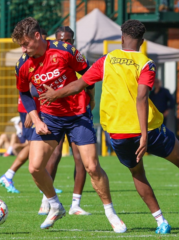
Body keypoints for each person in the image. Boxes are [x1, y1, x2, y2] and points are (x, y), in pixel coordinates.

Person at [39, 19, 179, 234]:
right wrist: (143, 135)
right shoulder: (145, 63)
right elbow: (142, 97)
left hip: (118, 131)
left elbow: (79, 84)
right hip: (149, 129)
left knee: (138, 173)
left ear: (122, 37)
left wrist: (53, 94)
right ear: (142, 41)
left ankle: (161, 222)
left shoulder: (107, 60)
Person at [12, 17, 126, 232]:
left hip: (77, 114)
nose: (23, 49)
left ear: (38, 36)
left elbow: (88, 74)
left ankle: (111, 213)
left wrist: (90, 100)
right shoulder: (23, 64)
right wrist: (36, 119)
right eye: (20, 45)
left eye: (26, 43)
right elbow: (25, 93)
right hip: (49, 117)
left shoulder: (65, 50)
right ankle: (55, 205)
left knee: (92, 166)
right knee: (35, 167)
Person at [39, 26, 95, 216]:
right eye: (61, 39)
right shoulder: (48, 57)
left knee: (80, 158)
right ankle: (46, 200)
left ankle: (75, 204)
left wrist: (92, 99)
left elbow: (89, 79)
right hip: (55, 113)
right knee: (53, 155)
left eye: (68, 40)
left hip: (77, 112)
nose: (65, 43)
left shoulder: (77, 57)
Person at [0, 93, 62, 194]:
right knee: (33, 144)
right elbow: (31, 86)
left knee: (33, 144)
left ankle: (10, 175)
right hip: (31, 109)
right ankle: (8, 175)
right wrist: (31, 112)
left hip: (31, 108)